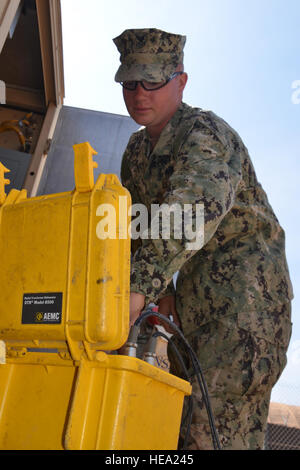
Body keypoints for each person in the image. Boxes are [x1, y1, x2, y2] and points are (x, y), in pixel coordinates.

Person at [113, 28, 293, 450]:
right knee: (173, 431)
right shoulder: (136, 154)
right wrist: (164, 292)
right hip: (189, 316)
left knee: (211, 432)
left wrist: (138, 289)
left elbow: (190, 212)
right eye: (130, 83)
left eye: (153, 81)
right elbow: (139, 230)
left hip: (243, 310)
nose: (140, 93)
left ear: (181, 80)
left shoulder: (204, 132)